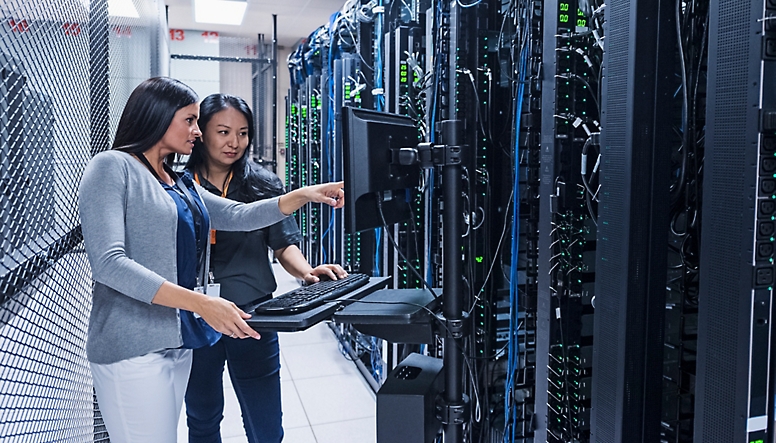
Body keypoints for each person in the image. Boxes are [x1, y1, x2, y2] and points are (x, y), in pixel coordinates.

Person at [78, 77, 344, 443]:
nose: (197, 132)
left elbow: (238, 215)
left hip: (177, 340)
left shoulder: (175, 182)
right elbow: (108, 263)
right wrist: (203, 303)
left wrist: (303, 194)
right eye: (190, 121)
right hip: (133, 347)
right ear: (158, 116)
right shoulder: (112, 167)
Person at [183, 93, 347, 443]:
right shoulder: (179, 187)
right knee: (202, 415)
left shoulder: (263, 184)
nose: (234, 143)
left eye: (243, 133)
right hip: (198, 316)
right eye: (223, 131)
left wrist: (305, 272)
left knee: (265, 421)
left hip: (254, 314)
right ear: (201, 132)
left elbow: (283, 244)